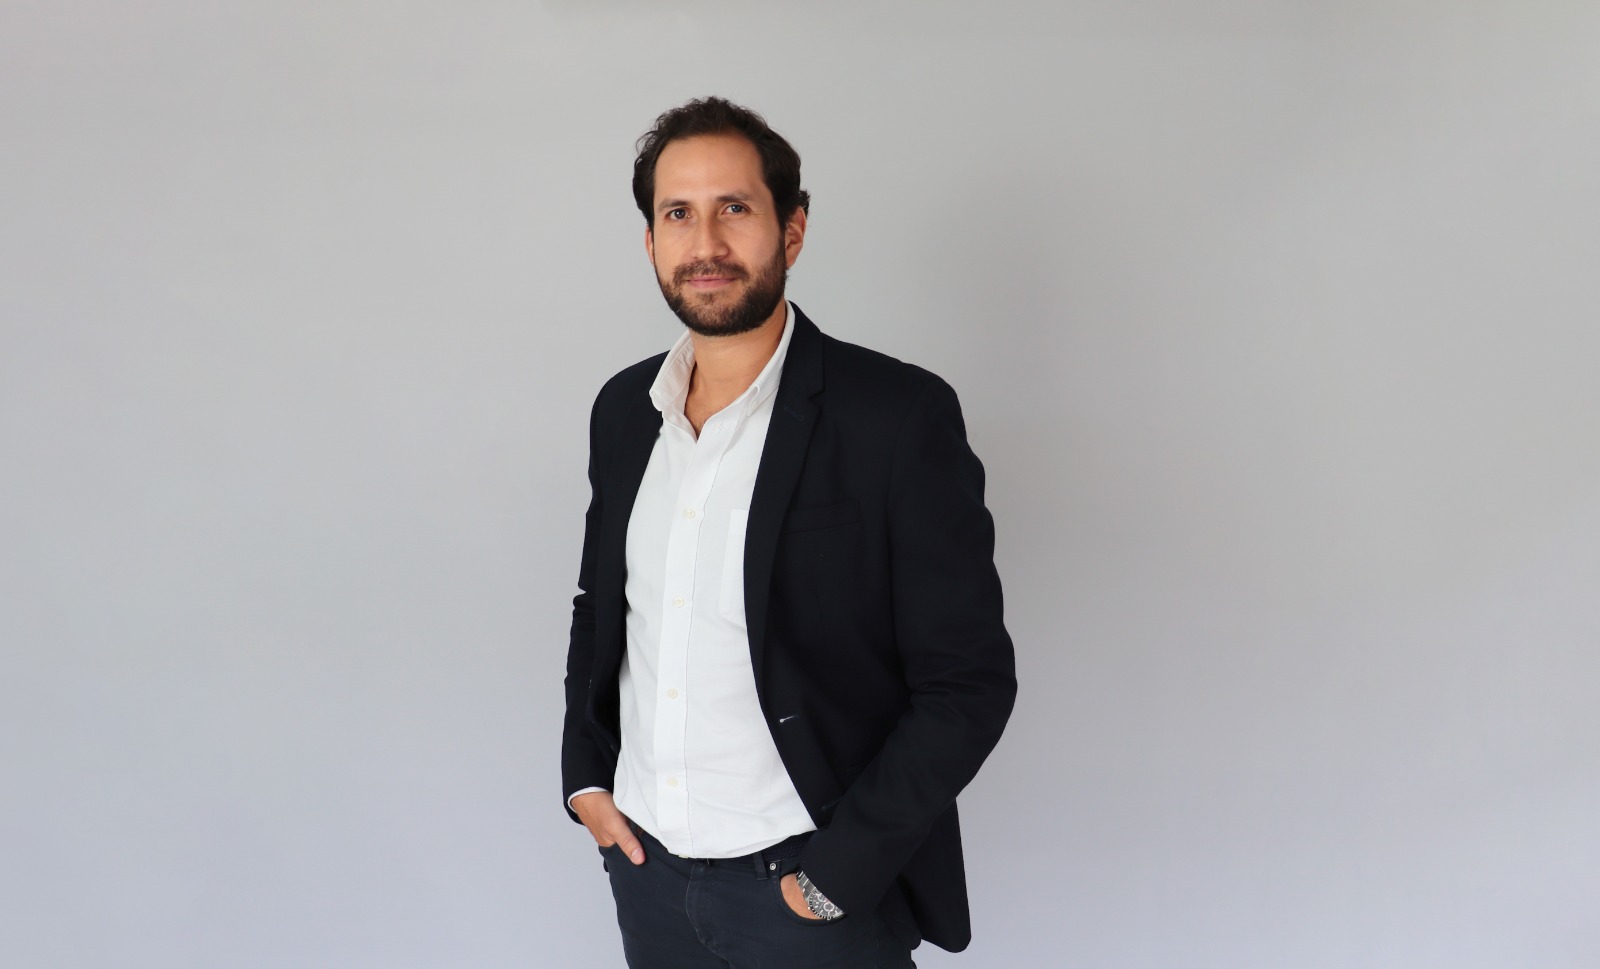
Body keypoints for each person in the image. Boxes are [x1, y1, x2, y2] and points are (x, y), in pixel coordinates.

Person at [561, 96, 1016, 968]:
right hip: (648, 878)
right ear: (650, 241)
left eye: (734, 207)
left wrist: (834, 879)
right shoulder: (623, 411)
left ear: (792, 230)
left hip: (809, 895)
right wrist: (585, 775)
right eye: (678, 214)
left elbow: (968, 683)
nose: (705, 243)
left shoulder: (896, 417)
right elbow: (602, 605)